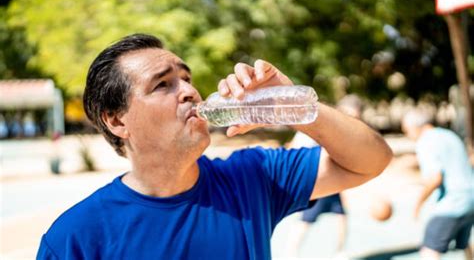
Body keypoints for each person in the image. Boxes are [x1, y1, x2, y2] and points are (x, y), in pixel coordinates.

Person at [37, 34, 392, 259]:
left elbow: (372, 160)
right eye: (163, 85)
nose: (189, 91)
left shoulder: (252, 176)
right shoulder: (76, 238)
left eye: (186, 78)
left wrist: (294, 104)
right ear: (117, 120)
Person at [285, 94, 363, 257]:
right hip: (317, 179)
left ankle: (340, 251)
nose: (354, 119)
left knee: (341, 216)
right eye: (352, 115)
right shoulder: (319, 130)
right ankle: (291, 252)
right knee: (306, 220)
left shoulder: (341, 131)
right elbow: (295, 151)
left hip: (330, 180)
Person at [401, 109, 474, 260]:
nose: (408, 135)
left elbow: (435, 179)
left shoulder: (425, 141)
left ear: (415, 127)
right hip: (471, 200)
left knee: (429, 249)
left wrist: (418, 204)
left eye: (406, 130)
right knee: (464, 245)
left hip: (452, 203)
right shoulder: (449, 135)